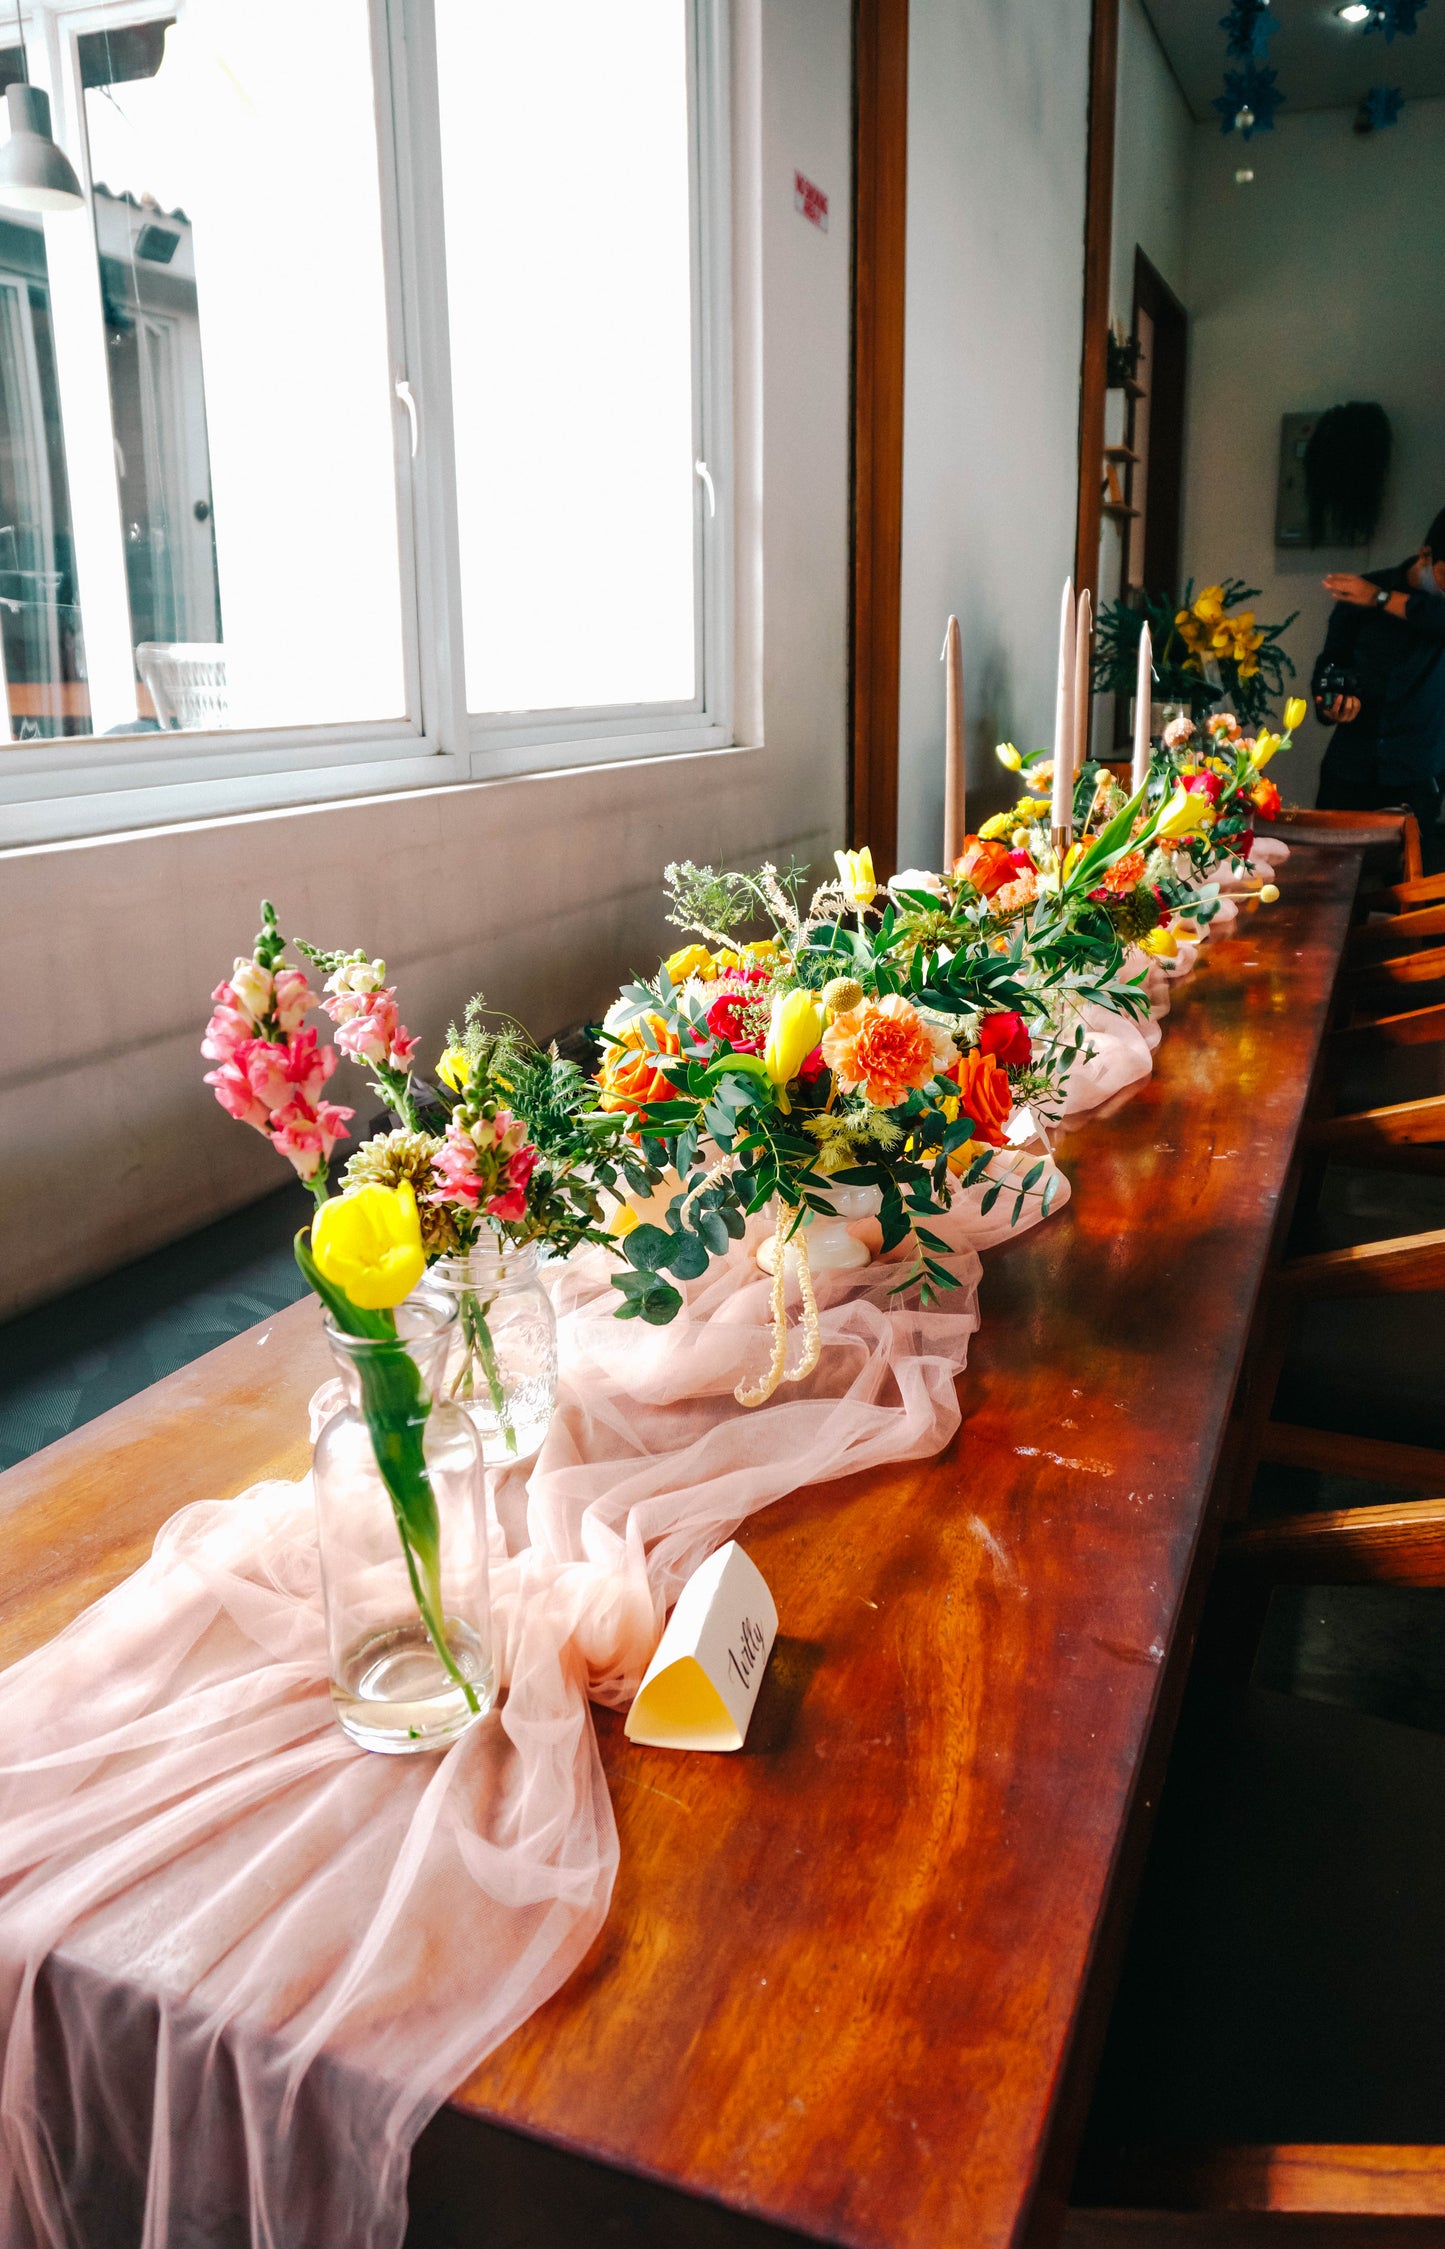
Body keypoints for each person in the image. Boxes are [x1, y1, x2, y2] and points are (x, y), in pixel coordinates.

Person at [1313, 506, 1445, 843]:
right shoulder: (1364, 591)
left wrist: (1380, 598)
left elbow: (1432, 616)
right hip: (1351, 769)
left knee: (1409, 888)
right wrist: (1333, 701)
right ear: (1426, 555)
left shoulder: (1374, 593)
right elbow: (1331, 662)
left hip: (1417, 778)